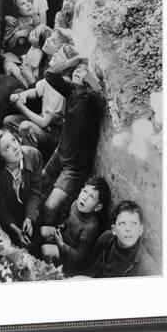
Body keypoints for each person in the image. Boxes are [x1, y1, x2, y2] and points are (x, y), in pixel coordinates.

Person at [42, 56, 103, 225]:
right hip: (60, 152)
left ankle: (43, 235)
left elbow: (98, 92)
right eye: (77, 69)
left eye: (83, 70)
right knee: (41, 182)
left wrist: (88, 75)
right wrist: (74, 61)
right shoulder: (71, 91)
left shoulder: (91, 101)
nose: (78, 71)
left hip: (75, 167)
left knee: (50, 206)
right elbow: (50, 75)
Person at [3, 44, 78, 162]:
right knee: (8, 121)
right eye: (57, 50)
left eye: (60, 54)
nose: (56, 53)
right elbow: (37, 91)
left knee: (26, 127)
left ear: (66, 65)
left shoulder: (61, 89)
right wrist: (22, 95)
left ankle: (31, 163)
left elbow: (44, 123)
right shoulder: (51, 78)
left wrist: (21, 107)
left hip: (53, 136)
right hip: (42, 126)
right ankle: (18, 153)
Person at [0, 129, 43, 249]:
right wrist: (16, 230)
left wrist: (29, 218)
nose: (15, 147)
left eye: (14, 140)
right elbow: (0, 207)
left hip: (30, 206)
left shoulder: (33, 155)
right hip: (10, 215)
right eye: (7, 148)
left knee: (38, 233)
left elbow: (35, 192)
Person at [40, 176, 111, 276]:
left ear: (97, 207)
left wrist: (61, 244)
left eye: (91, 197)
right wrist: (63, 226)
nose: (84, 198)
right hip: (64, 240)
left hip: (71, 258)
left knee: (45, 250)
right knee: (43, 231)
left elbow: (79, 257)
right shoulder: (75, 204)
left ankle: (54, 272)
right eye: (85, 192)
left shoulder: (90, 228)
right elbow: (69, 219)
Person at [88, 200, 159, 277]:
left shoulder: (147, 267)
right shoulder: (106, 239)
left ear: (140, 230)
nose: (128, 229)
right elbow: (89, 267)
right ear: (114, 230)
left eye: (133, 223)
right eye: (122, 223)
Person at [1, 0, 42, 87]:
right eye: (23, 4)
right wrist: (16, 35)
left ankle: (31, 81)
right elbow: (7, 47)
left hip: (30, 55)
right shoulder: (14, 23)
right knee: (8, 66)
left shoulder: (36, 19)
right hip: (15, 55)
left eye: (28, 1)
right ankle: (25, 84)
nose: (28, 4)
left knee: (36, 63)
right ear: (18, 9)